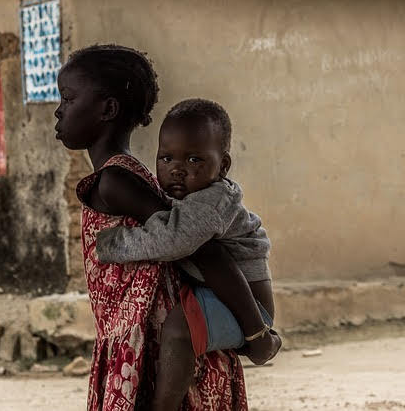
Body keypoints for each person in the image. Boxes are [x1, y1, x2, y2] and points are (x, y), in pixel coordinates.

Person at [54, 45, 248, 410]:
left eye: (68, 98)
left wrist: (255, 328)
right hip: (142, 348)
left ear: (107, 110)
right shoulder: (124, 175)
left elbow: (204, 248)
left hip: (157, 356)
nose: (59, 110)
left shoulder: (117, 181)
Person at [96, 98, 281, 410]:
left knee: (179, 331)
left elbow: (173, 242)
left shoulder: (212, 200)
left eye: (195, 160)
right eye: (166, 158)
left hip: (248, 303)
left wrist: (113, 244)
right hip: (217, 295)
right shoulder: (187, 196)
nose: (177, 170)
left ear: (223, 166)